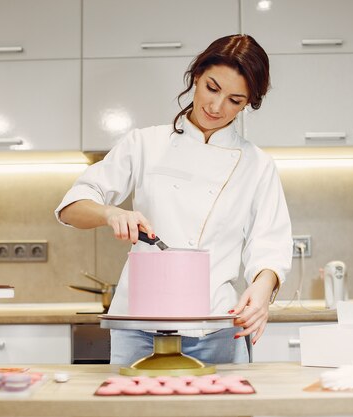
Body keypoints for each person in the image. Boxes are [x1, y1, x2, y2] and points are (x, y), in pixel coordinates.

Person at [55, 34, 292, 364]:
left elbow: (271, 243)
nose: (216, 106)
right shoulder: (145, 144)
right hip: (139, 325)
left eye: (235, 100)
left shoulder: (258, 164)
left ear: (247, 103)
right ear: (196, 76)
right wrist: (110, 213)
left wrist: (263, 288)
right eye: (211, 88)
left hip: (218, 322)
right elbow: (71, 208)